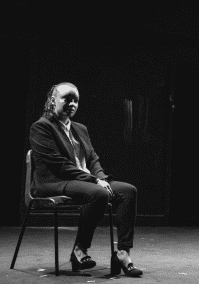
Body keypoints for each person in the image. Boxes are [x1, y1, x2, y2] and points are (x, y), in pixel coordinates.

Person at [29, 82, 143, 277]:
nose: (72, 103)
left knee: (127, 191)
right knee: (98, 193)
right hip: (55, 182)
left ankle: (123, 253)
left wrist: (100, 177)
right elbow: (59, 165)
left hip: (84, 182)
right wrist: (94, 181)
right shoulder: (41, 127)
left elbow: (92, 159)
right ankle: (79, 250)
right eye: (67, 98)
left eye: (76, 100)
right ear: (52, 100)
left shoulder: (80, 128)